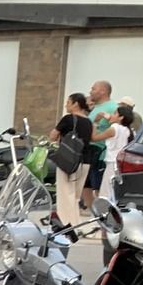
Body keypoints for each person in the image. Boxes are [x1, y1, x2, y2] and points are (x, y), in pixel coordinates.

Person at [53, 93, 95, 227]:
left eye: (68, 102)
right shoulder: (89, 122)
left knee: (65, 194)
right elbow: (92, 138)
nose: (66, 105)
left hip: (68, 160)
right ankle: (75, 224)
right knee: (75, 196)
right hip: (85, 161)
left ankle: (66, 224)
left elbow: (53, 136)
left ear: (76, 104)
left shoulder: (68, 119)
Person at [80, 81, 113, 211]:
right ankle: (93, 213)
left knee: (98, 188)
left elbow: (115, 129)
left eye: (93, 89)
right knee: (86, 185)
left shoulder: (112, 108)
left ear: (103, 91)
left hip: (101, 154)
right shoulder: (96, 108)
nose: (90, 91)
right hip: (89, 152)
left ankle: (102, 214)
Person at [99, 100, 136, 202]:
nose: (112, 115)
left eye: (115, 113)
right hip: (120, 162)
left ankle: (104, 208)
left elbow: (95, 137)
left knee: (106, 190)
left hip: (112, 161)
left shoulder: (115, 128)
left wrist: (95, 123)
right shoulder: (128, 130)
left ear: (121, 117)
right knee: (114, 190)